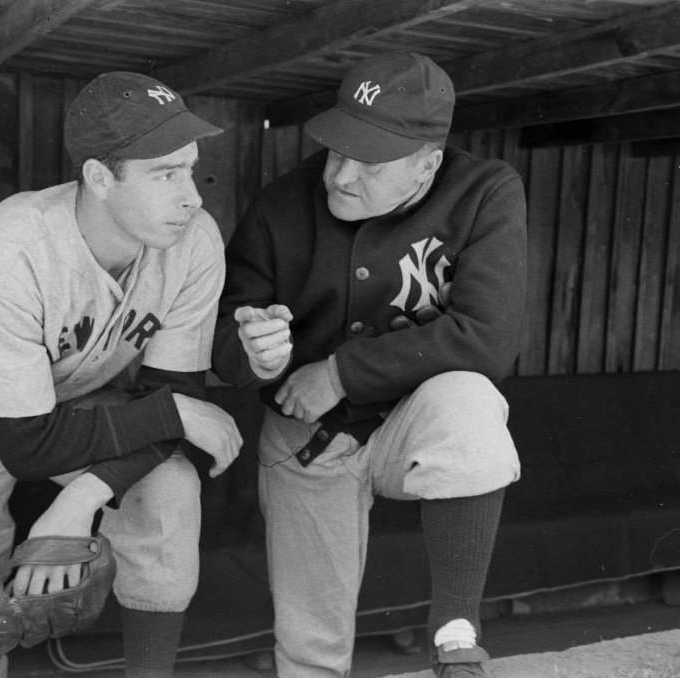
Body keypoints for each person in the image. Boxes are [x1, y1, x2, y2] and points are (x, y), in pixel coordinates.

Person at [0, 71, 243, 678]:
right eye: (165, 174)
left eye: (190, 169)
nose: (192, 196)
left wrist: (81, 497)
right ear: (100, 178)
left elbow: (173, 394)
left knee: (168, 491)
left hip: (75, 388)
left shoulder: (193, 240)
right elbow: (27, 444)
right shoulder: (11, 249)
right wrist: (175, 414)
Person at [211, 52, 526, 678]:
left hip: (412, 421)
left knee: (467, 397)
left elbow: (488, 338)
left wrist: (339, 373)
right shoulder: (281, 204)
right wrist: (247, 349)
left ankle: (456, 633)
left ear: (428, 165)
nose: (341, 175)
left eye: (371, 159)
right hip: (308, 440)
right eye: (336, 149)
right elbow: (223, 337)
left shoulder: (483, 191)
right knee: (311, 645)